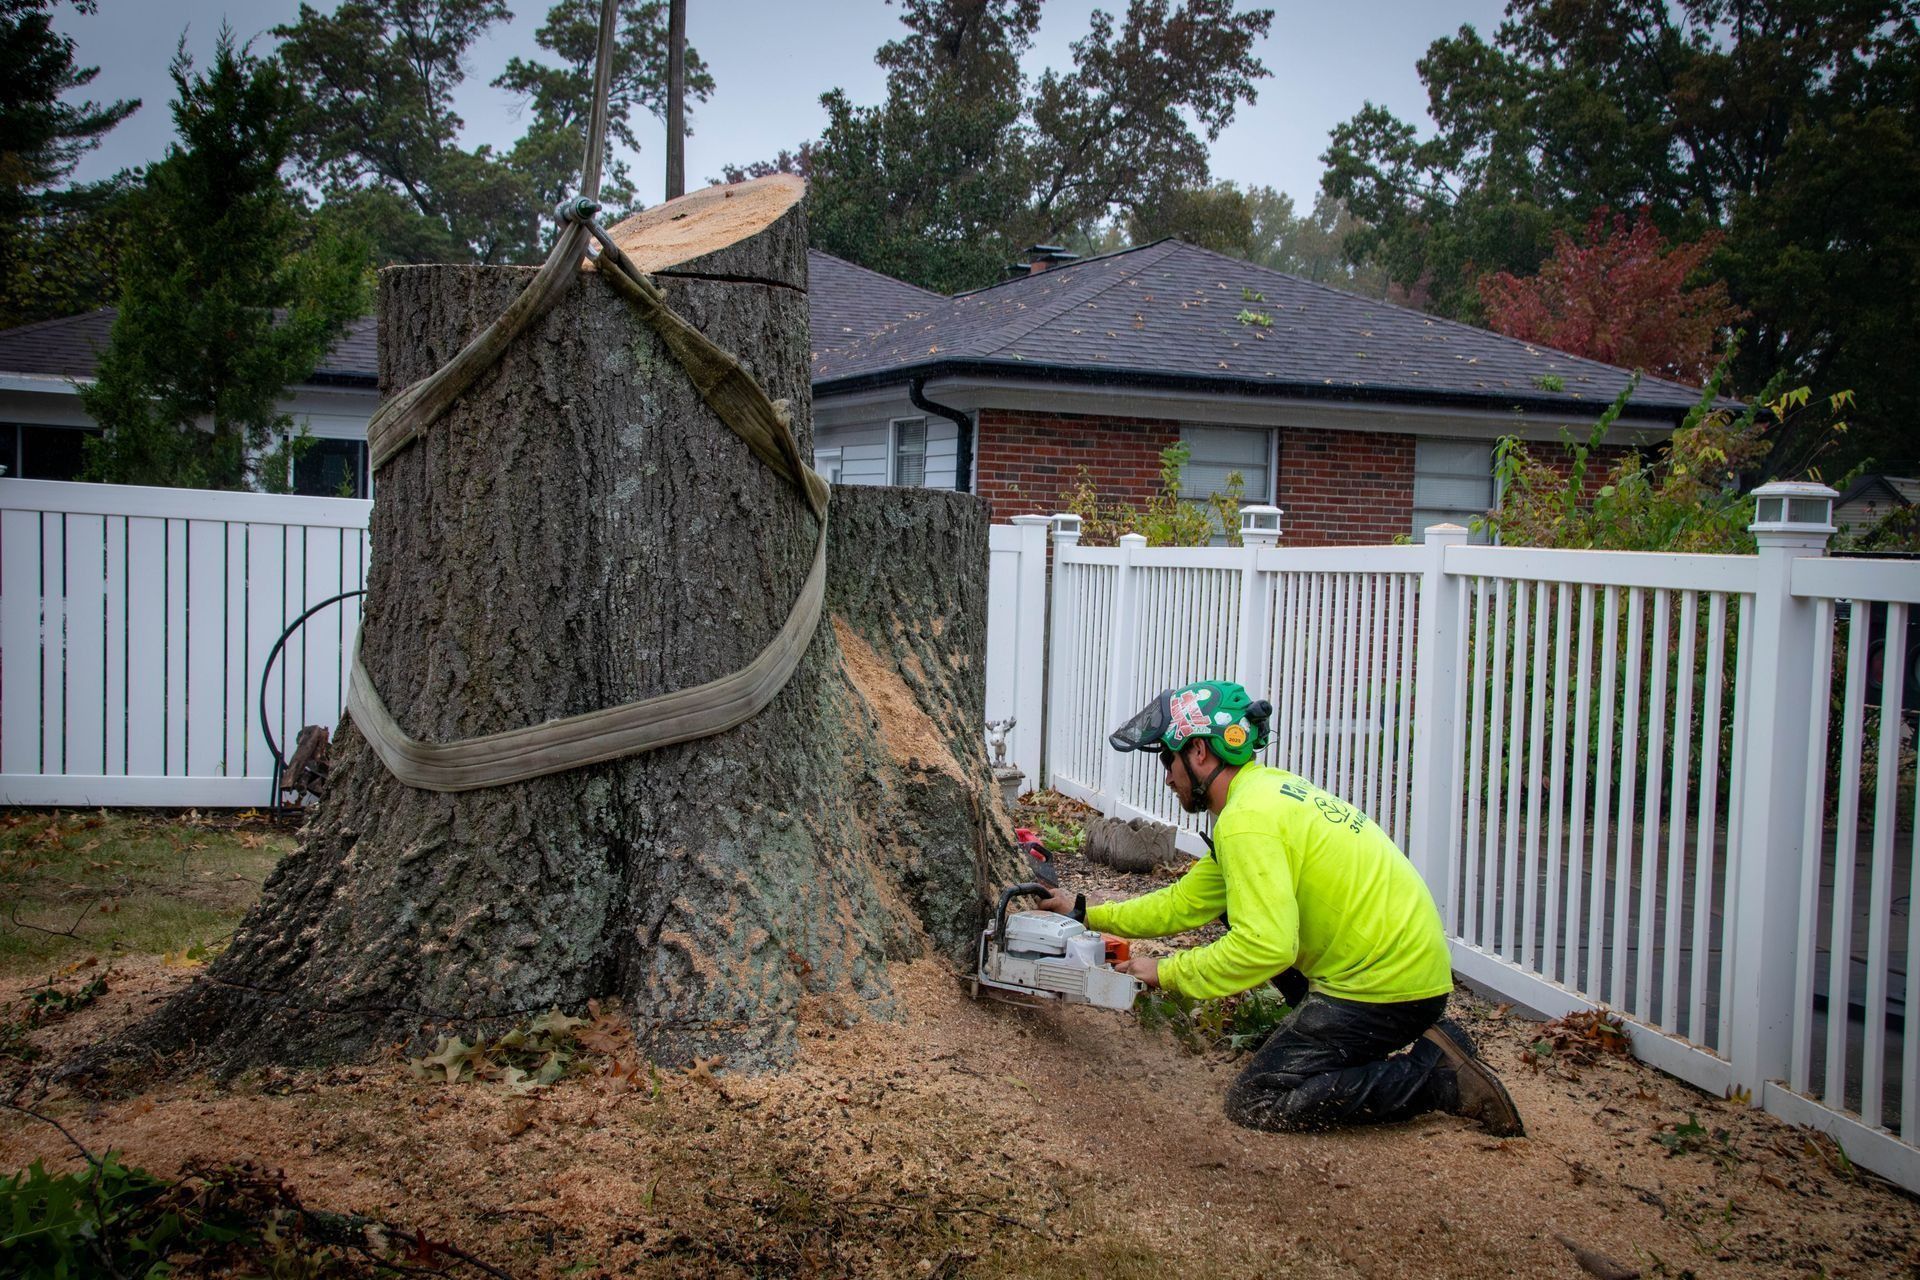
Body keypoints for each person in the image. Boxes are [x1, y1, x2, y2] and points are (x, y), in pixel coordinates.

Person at [1035, 680, 1524, 1136]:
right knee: (1234, 909)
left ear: (1200, 752)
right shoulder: (1262, 795)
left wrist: (1168, 971)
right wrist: (1084, 911)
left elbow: (1267, 946)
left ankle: (1438, 1077)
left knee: (1258, 1099)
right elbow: (1184, 903)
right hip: (1405, 972)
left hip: (1388, 988)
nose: (1167, 779)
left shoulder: (1247, 822)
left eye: (1169, 760)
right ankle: (1366, 1036)